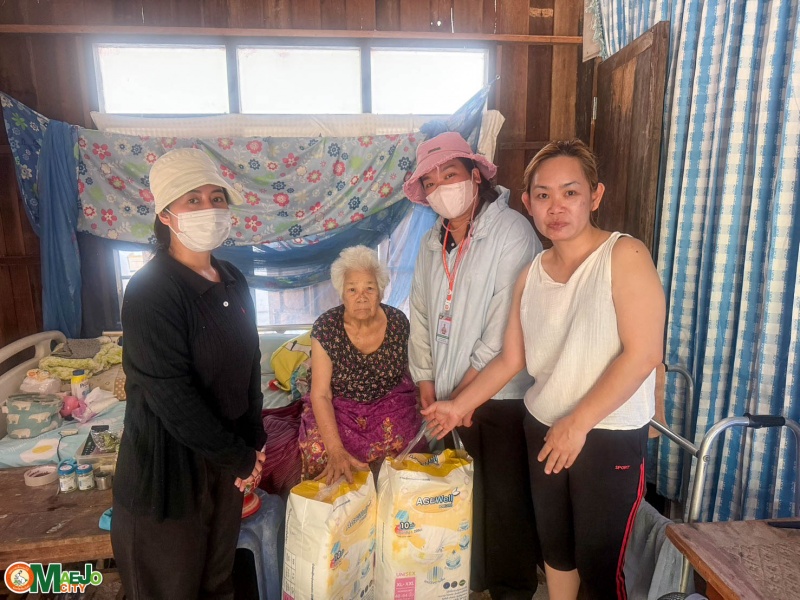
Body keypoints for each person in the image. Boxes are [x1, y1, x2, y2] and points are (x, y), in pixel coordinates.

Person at [423, 139, 666, 600]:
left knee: (601, 565)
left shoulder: (624, 256)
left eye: (570, 192)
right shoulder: (530, 274)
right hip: (544, 427)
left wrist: (577, 423)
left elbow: (643, 354)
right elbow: (511, 359)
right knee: (556, 550)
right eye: (543, 195)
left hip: (606, 432)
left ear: (595, 196)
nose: (556, 207)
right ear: (528, 203)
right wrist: (457, 406)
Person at [112, 148, 267, 600]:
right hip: (168, 477)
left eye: (216, 197)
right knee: (170, 589)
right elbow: (171, 396)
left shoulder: (233, 277)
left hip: (226, 468)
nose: (209, 208)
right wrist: (240, 457)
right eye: (193, 200)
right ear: (165, 214)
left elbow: (250, 362)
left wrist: (254, 440)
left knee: (218, 584)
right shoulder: (150, 291)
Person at [405, 131, 543, 600]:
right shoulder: (432, 241)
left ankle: (511, 590)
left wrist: (462, 399)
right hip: (445, 395)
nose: (441, 188)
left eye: (450, 174)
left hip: (499, 396)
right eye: (431, 182)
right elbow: (421, 315)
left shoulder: (512, 233)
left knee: (505, 504)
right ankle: (471, 582)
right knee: (462, 498)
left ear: (475, 175)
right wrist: (426, 383)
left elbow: (503, 328)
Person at [299, 245, 423, 484]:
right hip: (340, 405)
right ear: (342, 294)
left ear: (381, 292)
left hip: (388, 402)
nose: (361, 297)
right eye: (352, 289)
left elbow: (413, 370)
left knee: (406, 454)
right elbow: (321, 394)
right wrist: (336, 450)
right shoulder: (326, 328)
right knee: (320, 452)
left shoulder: (398, 322)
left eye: (369, 288)